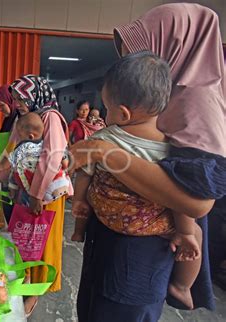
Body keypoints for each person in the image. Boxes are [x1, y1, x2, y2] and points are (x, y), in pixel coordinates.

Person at [70, 3, 223, 321]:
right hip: (112, 240)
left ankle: (183, 285)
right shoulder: (169, 95)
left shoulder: (198, 104)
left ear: (172, 46)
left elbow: (196, 203)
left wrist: (103, 152)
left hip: (139, 253)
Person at [71, 52, 202, 310]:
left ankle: (78, 231)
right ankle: (182, 286)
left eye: (107, 108)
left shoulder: (104, 139)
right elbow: (178, 198)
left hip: (110, 223)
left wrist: (78, 201)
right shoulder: (171, 146)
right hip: (151, 232)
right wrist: (185, 231)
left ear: (122, 113)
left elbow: (84, 174)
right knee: (193, 228)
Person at [8, 75, 71, 314]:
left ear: (34, 95)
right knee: (26, 238)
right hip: (30, 190)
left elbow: (53, 156)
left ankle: (35, 294)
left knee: (42, 243)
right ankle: (26, 281)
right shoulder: (26, 118)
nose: (17, 104)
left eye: (20, 98)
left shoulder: (50, 117)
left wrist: (36, 194)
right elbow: (11, 149)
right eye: (15, 99)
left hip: (47, 194)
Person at [8, 112, 72, 205]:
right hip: (57, 188)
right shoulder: (48, 145)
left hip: (31, 194)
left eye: (20, 137)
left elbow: (14, 171)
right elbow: (65, 163)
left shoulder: (20, 150)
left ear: (30, 136)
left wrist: (12, 187)